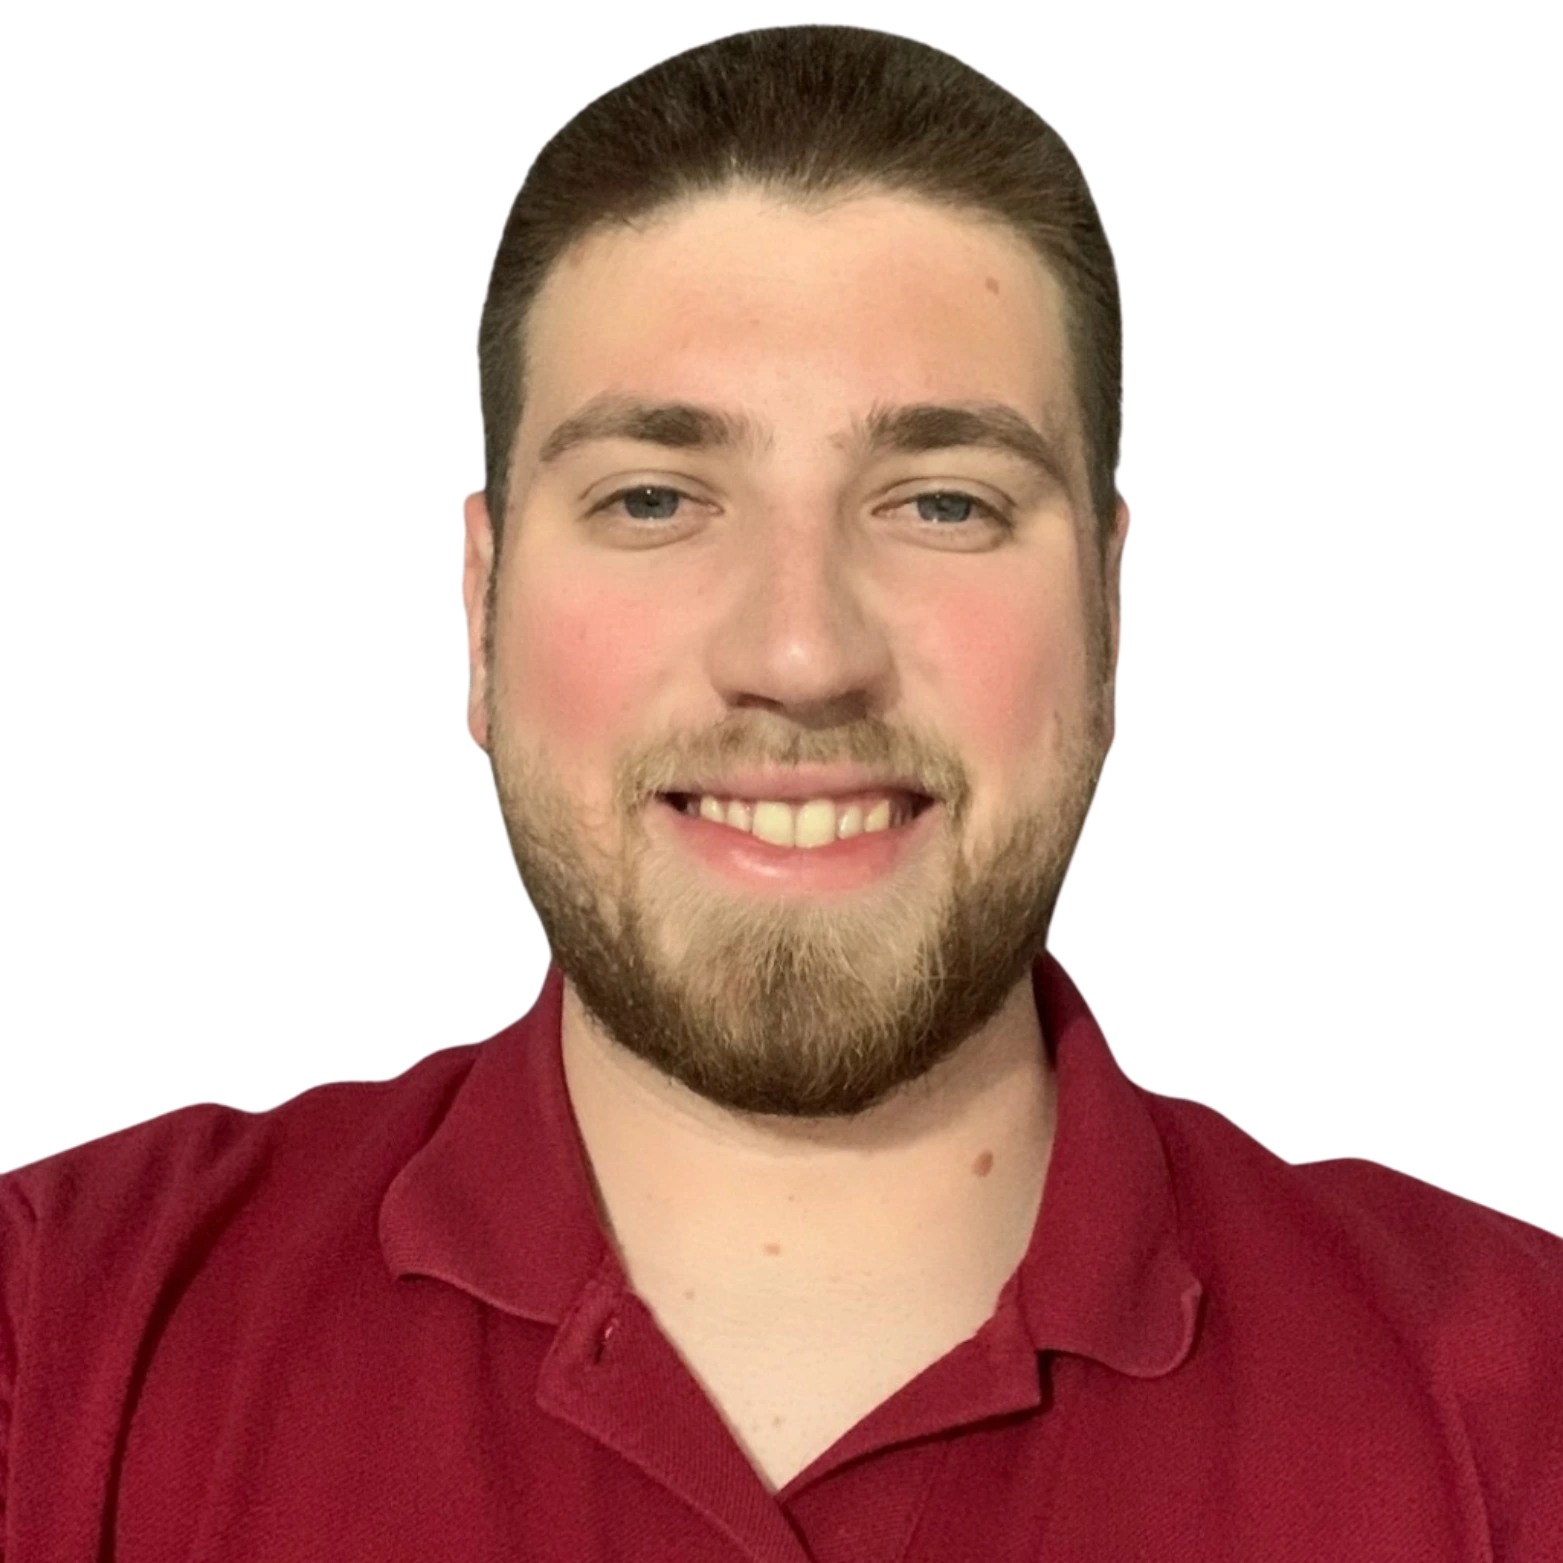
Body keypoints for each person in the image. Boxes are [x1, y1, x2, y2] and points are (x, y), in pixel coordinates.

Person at [3, 26, 1556, 1562]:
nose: (801, 654)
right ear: (477, 611)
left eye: (940, 502)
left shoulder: (1516, 1395)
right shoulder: (58, 1331)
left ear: (1109, 613)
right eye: (654, 499)